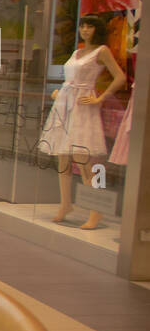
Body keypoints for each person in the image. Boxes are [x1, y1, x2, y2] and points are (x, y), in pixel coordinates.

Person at [38, 14, 126, 229]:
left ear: (97, 29)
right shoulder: (77, 52)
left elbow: (120, 77)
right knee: (63, 158)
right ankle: (65, 204)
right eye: (83, 26)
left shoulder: (101, 51)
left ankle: (96, 211)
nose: (85, 30)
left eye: (90, 26)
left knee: (84, 159)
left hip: (83, 107)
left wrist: (100, 97)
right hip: (65, 105)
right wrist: (59, 92)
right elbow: (71, 80)